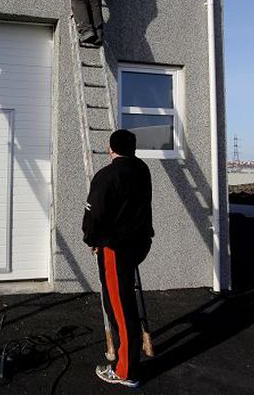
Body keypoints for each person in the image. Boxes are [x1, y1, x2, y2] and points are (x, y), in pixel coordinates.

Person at [82, 129, 154, 388]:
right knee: (124, 302)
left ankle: (126, 371)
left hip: (116, 249)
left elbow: (94, 215)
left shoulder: (107, 175)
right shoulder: (142, 170)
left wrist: (92, 240)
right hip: (139, 244)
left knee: (121, 309)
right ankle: (128, 361)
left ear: (111, 149)